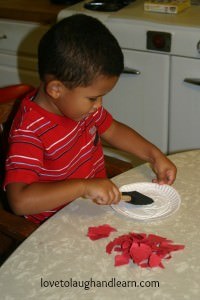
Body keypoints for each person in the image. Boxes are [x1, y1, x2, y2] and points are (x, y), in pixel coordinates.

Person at [4, 14, 177, 224]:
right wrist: (83, 186)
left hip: (92, 205)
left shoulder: (80, 108)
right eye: (93, 97)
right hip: (55, 224)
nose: (98, 105)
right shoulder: (29, 130)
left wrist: (154, 155)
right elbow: (20, 201)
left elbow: (112, 130)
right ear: (56, 89)